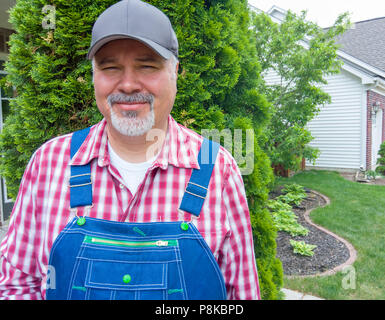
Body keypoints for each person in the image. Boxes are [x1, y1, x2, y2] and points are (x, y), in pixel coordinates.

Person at [0, 0, 260, 300]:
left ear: (175, 71)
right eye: (110, 67)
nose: (127, 84)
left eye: (147, 65)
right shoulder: (48, 164)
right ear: (94, 76)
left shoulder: (218, 171)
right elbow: (17, 287)